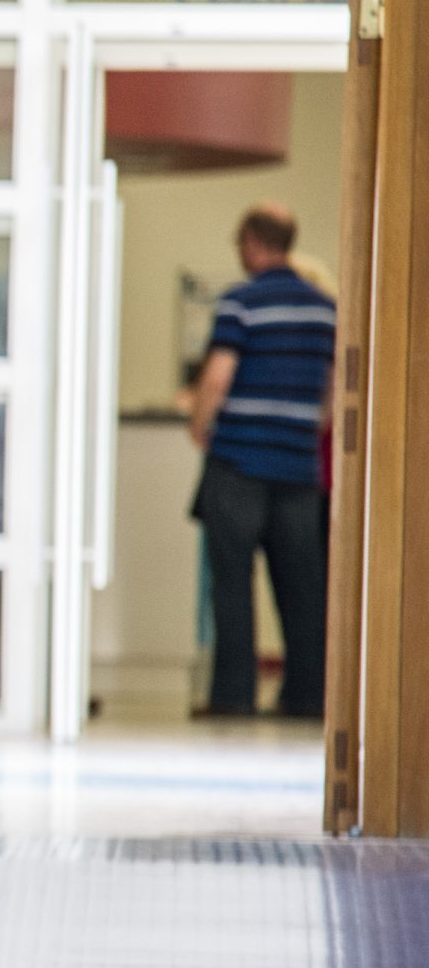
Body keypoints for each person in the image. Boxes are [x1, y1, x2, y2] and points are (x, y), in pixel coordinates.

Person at [185, 201, 333, 719]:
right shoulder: (324, 308)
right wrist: (307, 430)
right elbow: (333, 390)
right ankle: (308, 696)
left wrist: (200, 423)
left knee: (231, 583)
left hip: (238, 464)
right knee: (301, 587)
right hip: (297, 469)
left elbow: (219, 374)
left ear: (252, 242)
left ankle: (233, 696)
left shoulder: (240, 302)